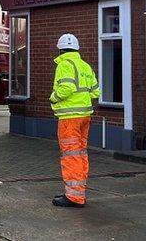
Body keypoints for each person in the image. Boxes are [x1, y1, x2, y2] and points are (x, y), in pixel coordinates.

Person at [49, 33, 100, 208]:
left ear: (61, 49)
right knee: (80, 154)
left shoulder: (64, 64)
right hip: (85, 116)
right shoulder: (85, 66)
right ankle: (78, 192)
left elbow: (67, 88)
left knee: (71, 155)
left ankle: (74, 197)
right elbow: (95, 92)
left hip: (69, 118)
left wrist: (54, 98)